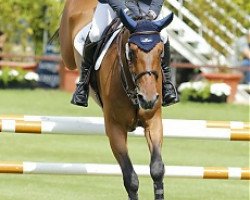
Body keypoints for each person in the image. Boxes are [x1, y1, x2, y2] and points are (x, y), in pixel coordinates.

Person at [71, 0, 179, 107]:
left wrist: (153, 11)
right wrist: (126, 11)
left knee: (163, 36)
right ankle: (83, 85)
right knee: (95, 35)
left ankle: (167, 85)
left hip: (147, 5)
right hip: (112, 4)